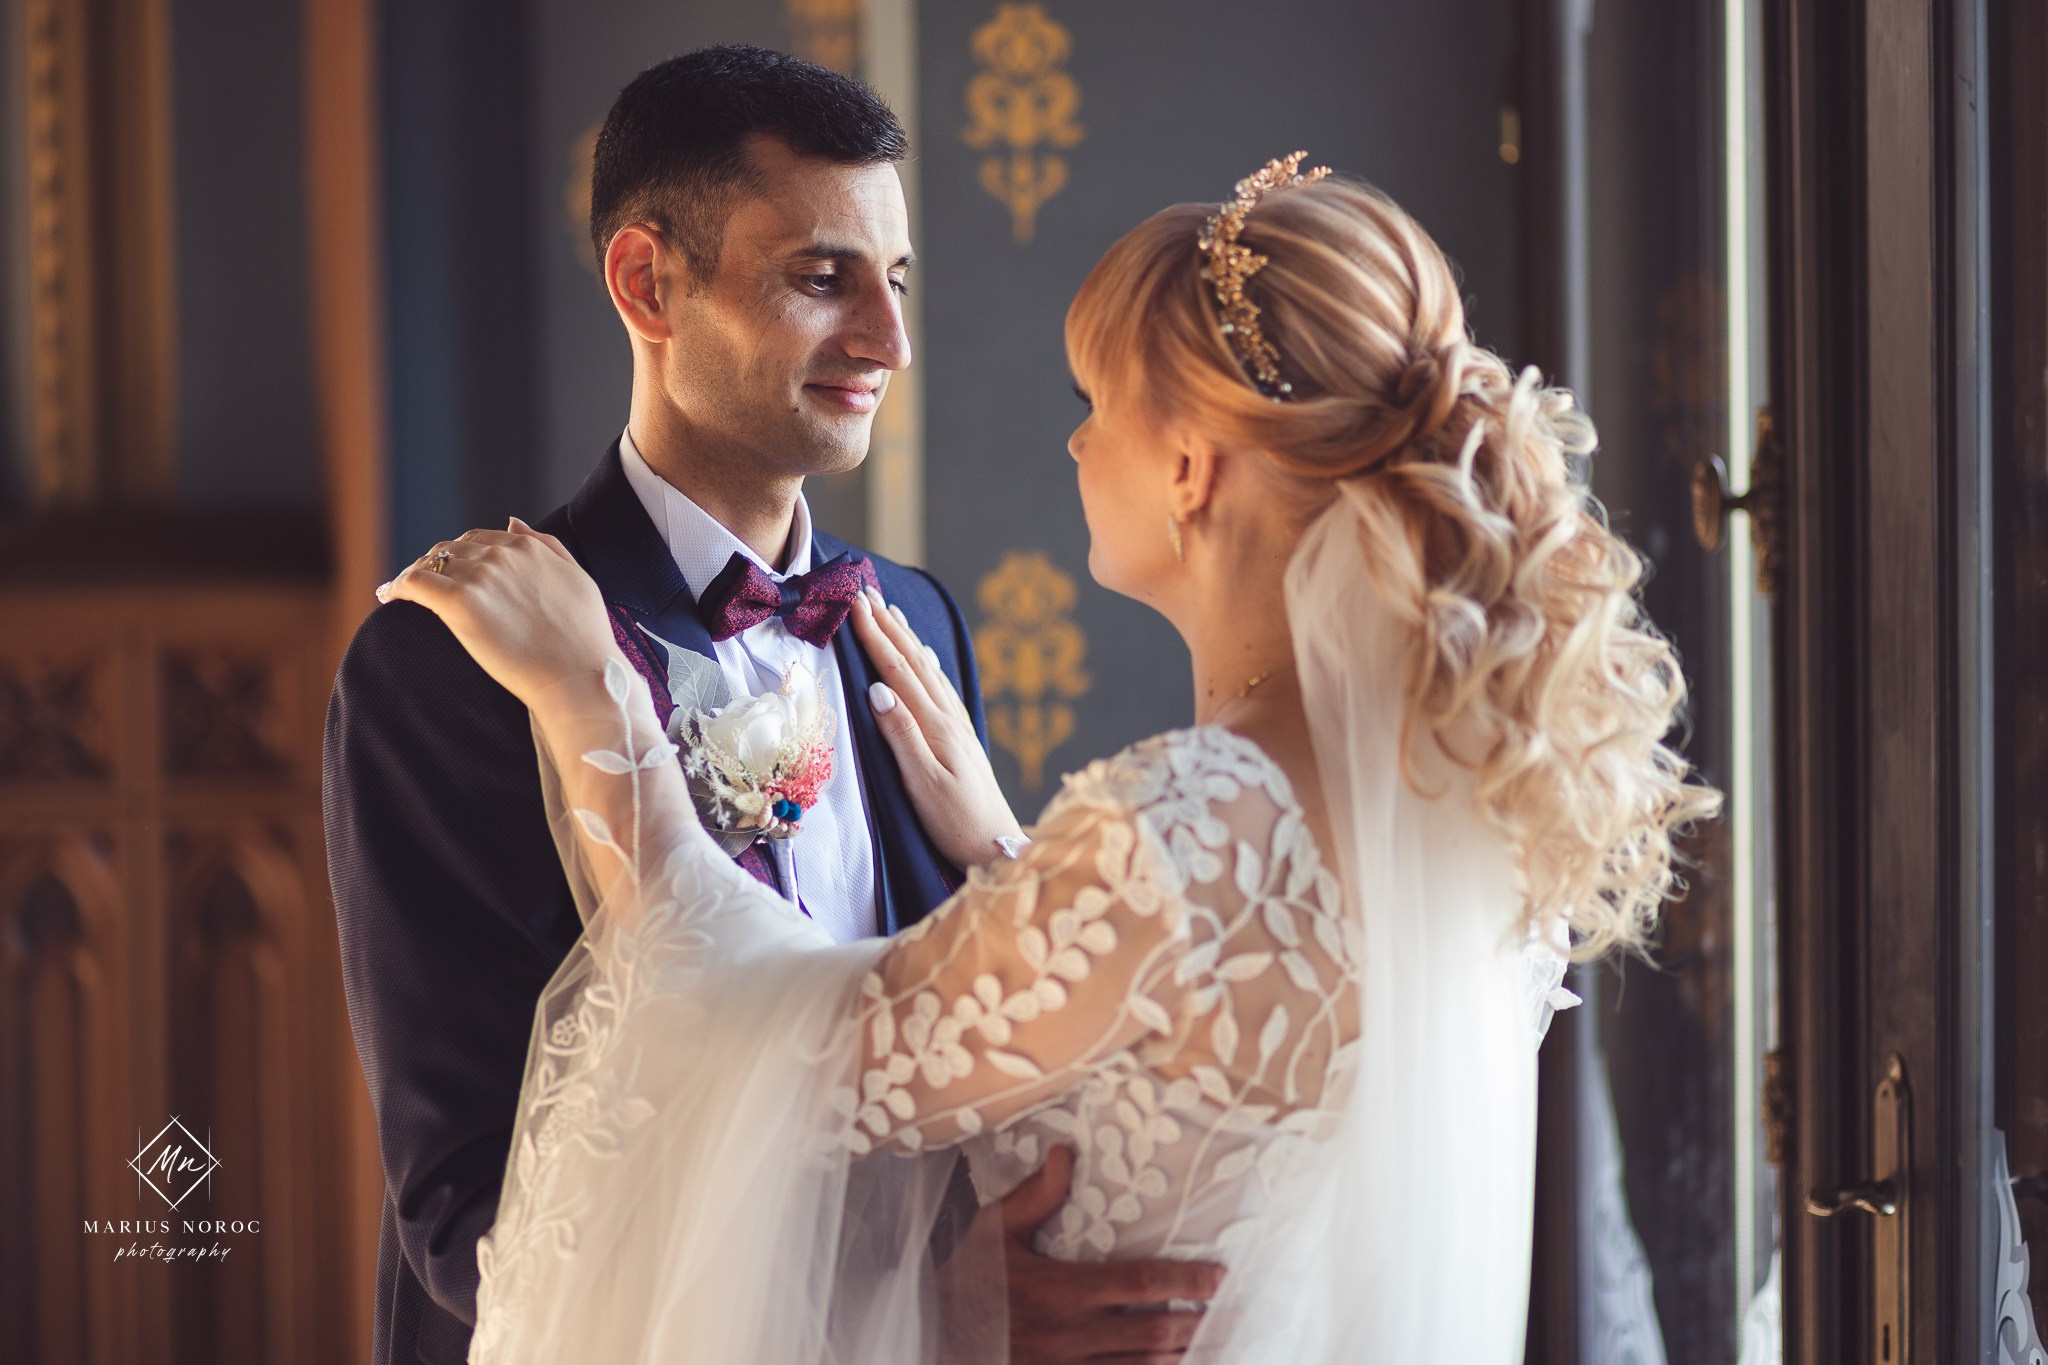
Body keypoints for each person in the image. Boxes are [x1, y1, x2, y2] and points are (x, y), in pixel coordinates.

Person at [383, 155, 1720, 1362]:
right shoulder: (1452, 802)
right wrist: (1014, 863)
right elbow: (1218, 1039)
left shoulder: (1173, 828)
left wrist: (594, 710)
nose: (1077, 441)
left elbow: (776, 1046)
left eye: (1097, 404)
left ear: (1191, 465)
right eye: (824, 275)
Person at [324, 45, 1215, 1365]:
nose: (889, 341)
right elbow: (471, 1213)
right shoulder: (455, 662)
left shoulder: (911, 621)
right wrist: (907, 1314)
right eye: (822, 278)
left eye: (896, 282)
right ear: (649, 283)